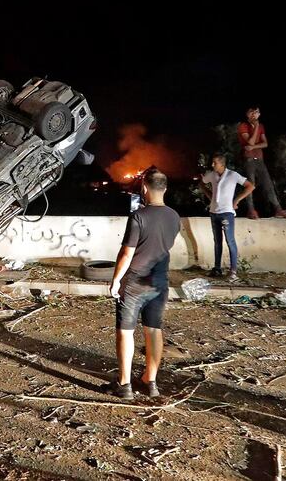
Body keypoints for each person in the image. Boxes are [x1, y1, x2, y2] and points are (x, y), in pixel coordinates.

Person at [106, 168, 180, 399]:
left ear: (144, 188)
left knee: (126, 331)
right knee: (154, 329)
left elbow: (127, 253)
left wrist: (116, 280)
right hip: (159, 281)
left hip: (136, 282)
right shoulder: (174, 216)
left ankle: (125, 385)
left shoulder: (139, 216)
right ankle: (151, 381)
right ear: (165, 188)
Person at [199, 153, 255, 281]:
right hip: (214, 212)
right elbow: (202, 183)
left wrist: (236, 201)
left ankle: (233, 271)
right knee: (217, 242)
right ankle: (217, 268)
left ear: (222, 164)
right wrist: (210, 196)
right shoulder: (211, 175)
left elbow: (250, 186)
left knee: (230, 241)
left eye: (215, 163)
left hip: (227, 213)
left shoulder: (232, 175)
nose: (212, 165)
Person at [237, 106, 286, 219]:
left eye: (257, 112)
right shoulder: (243, 126)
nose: (254, 114)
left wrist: (253, 146)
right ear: (247, 114)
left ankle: (278, 209)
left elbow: (265, 144)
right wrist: (256, 127)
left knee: (268, 184)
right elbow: (250, 141)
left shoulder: (261, 126)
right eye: (251, 112)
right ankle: (251, 210)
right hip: (248, 159)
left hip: (260, 159)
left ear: (259, 114)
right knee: (250, 185)